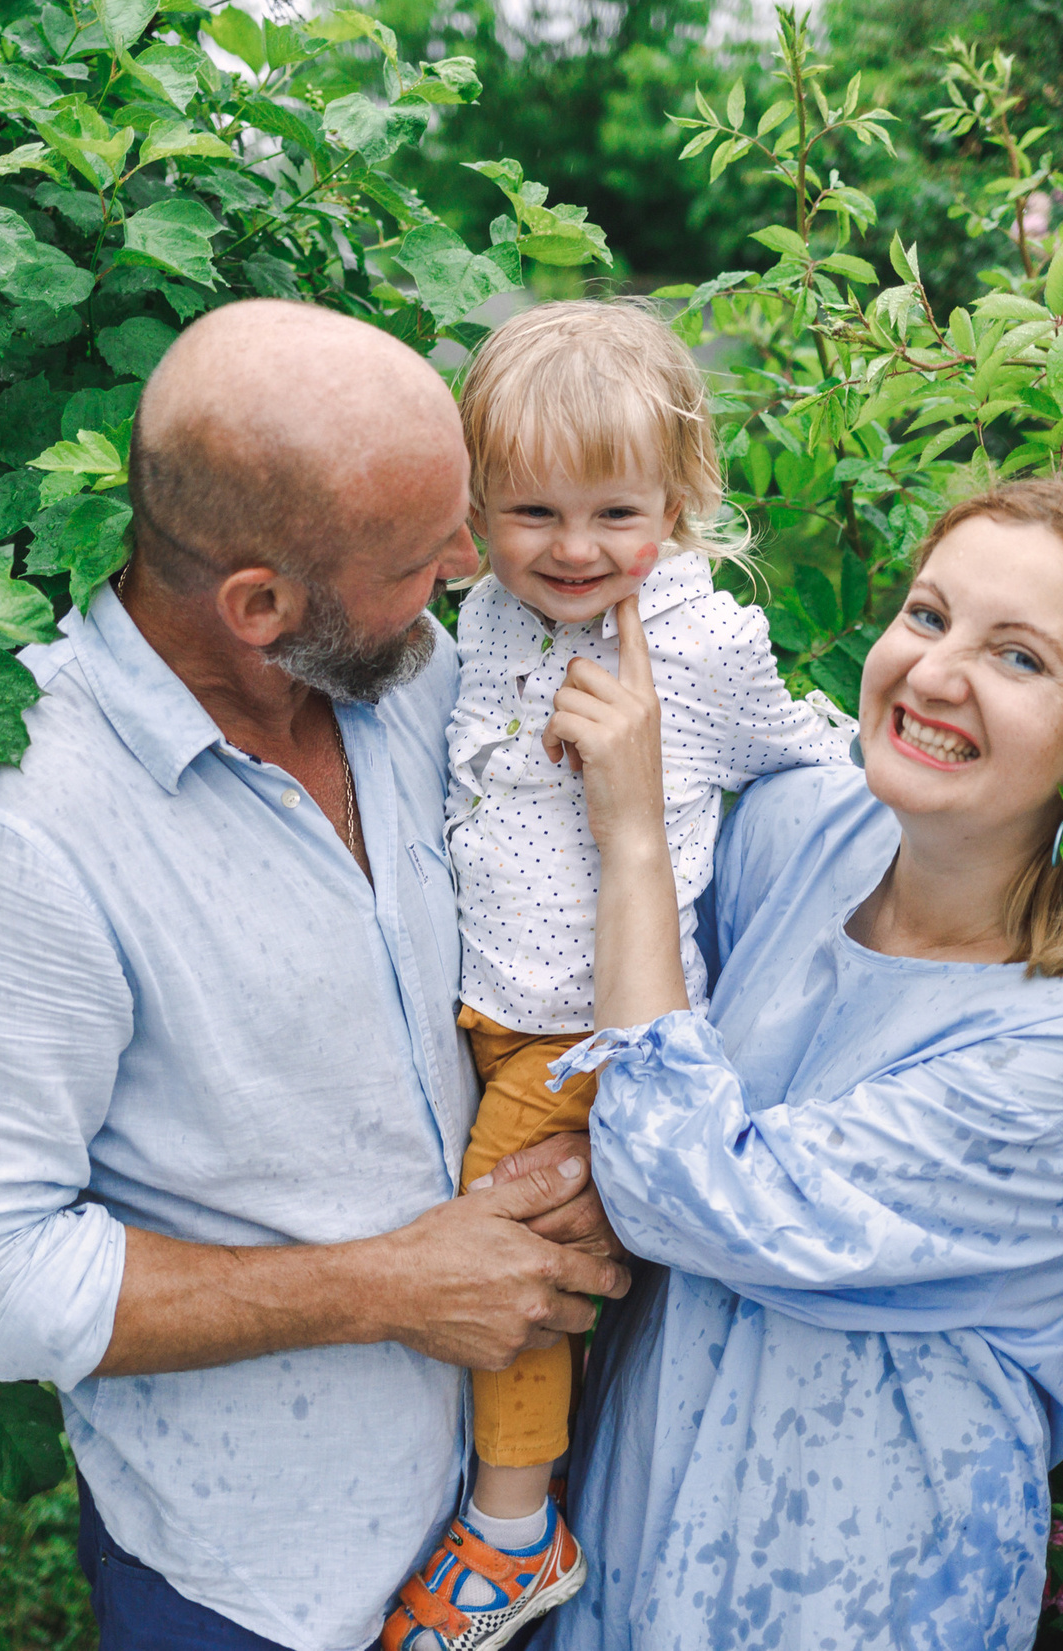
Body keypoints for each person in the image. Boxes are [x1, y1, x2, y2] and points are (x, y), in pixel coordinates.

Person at [0, 298, 630, 1651]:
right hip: (260, 1583)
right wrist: (391, 1283)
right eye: (417, 556)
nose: (469, 565)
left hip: (516, 1518)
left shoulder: (405, 675)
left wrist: (576, 1188)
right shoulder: (19, 833)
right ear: (259, 603)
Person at [535, 479, 1063, 1649]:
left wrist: (637, 841)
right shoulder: (801, 831)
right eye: (925, 615)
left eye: (1014, 657)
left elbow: (685, 1187)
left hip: (861, 1578)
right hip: (638, 1513)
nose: (935, 674)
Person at [383, 302, 854, 1651]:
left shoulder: (697, 642)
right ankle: (530, 1473)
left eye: (616, 512)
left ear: (681, 498)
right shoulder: (483, 612)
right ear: (477, 507)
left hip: (587, 1026)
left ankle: (514, 1527)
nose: (577, 549)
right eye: (533, 510)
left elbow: (804, 757)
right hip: (490, 1002)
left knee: (507, 1238)